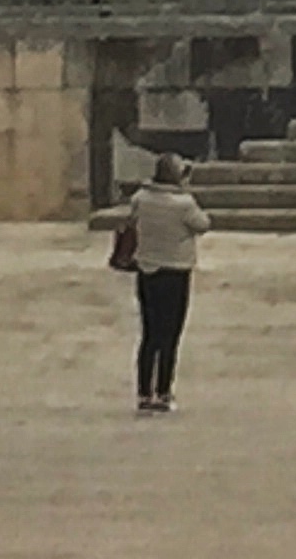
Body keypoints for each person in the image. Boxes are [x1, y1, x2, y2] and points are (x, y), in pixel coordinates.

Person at [127, 153, 210, 414]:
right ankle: (163, 391)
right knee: (170, 335)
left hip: (147, 269)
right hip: (176, 271)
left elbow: (132, 219)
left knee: (150, 334)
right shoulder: (184, 203)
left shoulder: (141, 198)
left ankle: (143, 392)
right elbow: (202, 224)